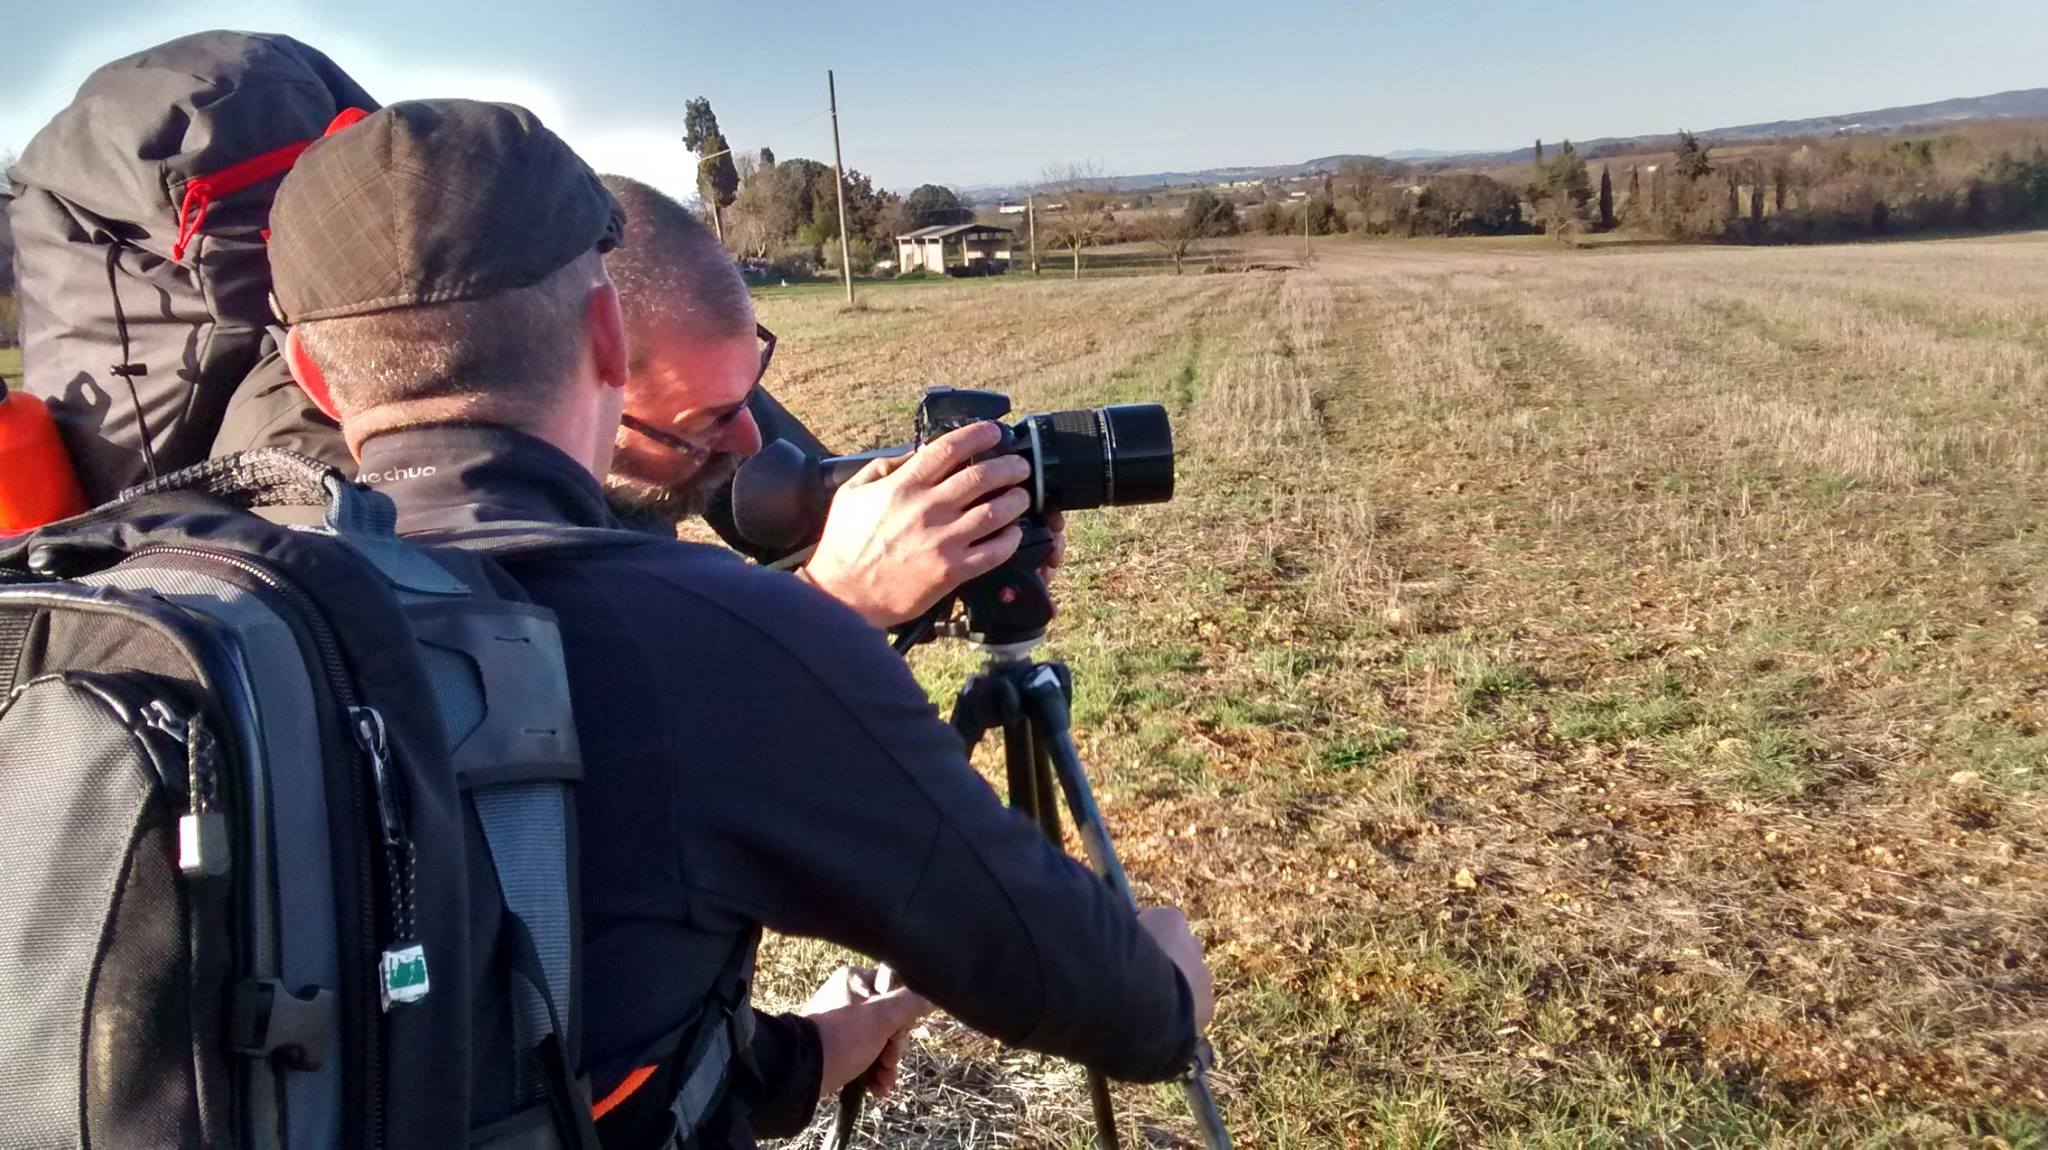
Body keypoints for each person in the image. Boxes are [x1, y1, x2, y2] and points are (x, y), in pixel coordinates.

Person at [266, 99, 1214, 1148]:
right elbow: (1120, 1007)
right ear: (604, 334)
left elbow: (488, 1012)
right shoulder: (711, 641)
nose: (749, 438)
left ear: (311, 373)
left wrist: (792, 1057)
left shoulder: (232, 615)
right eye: (707, 422)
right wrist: (1167, 966)